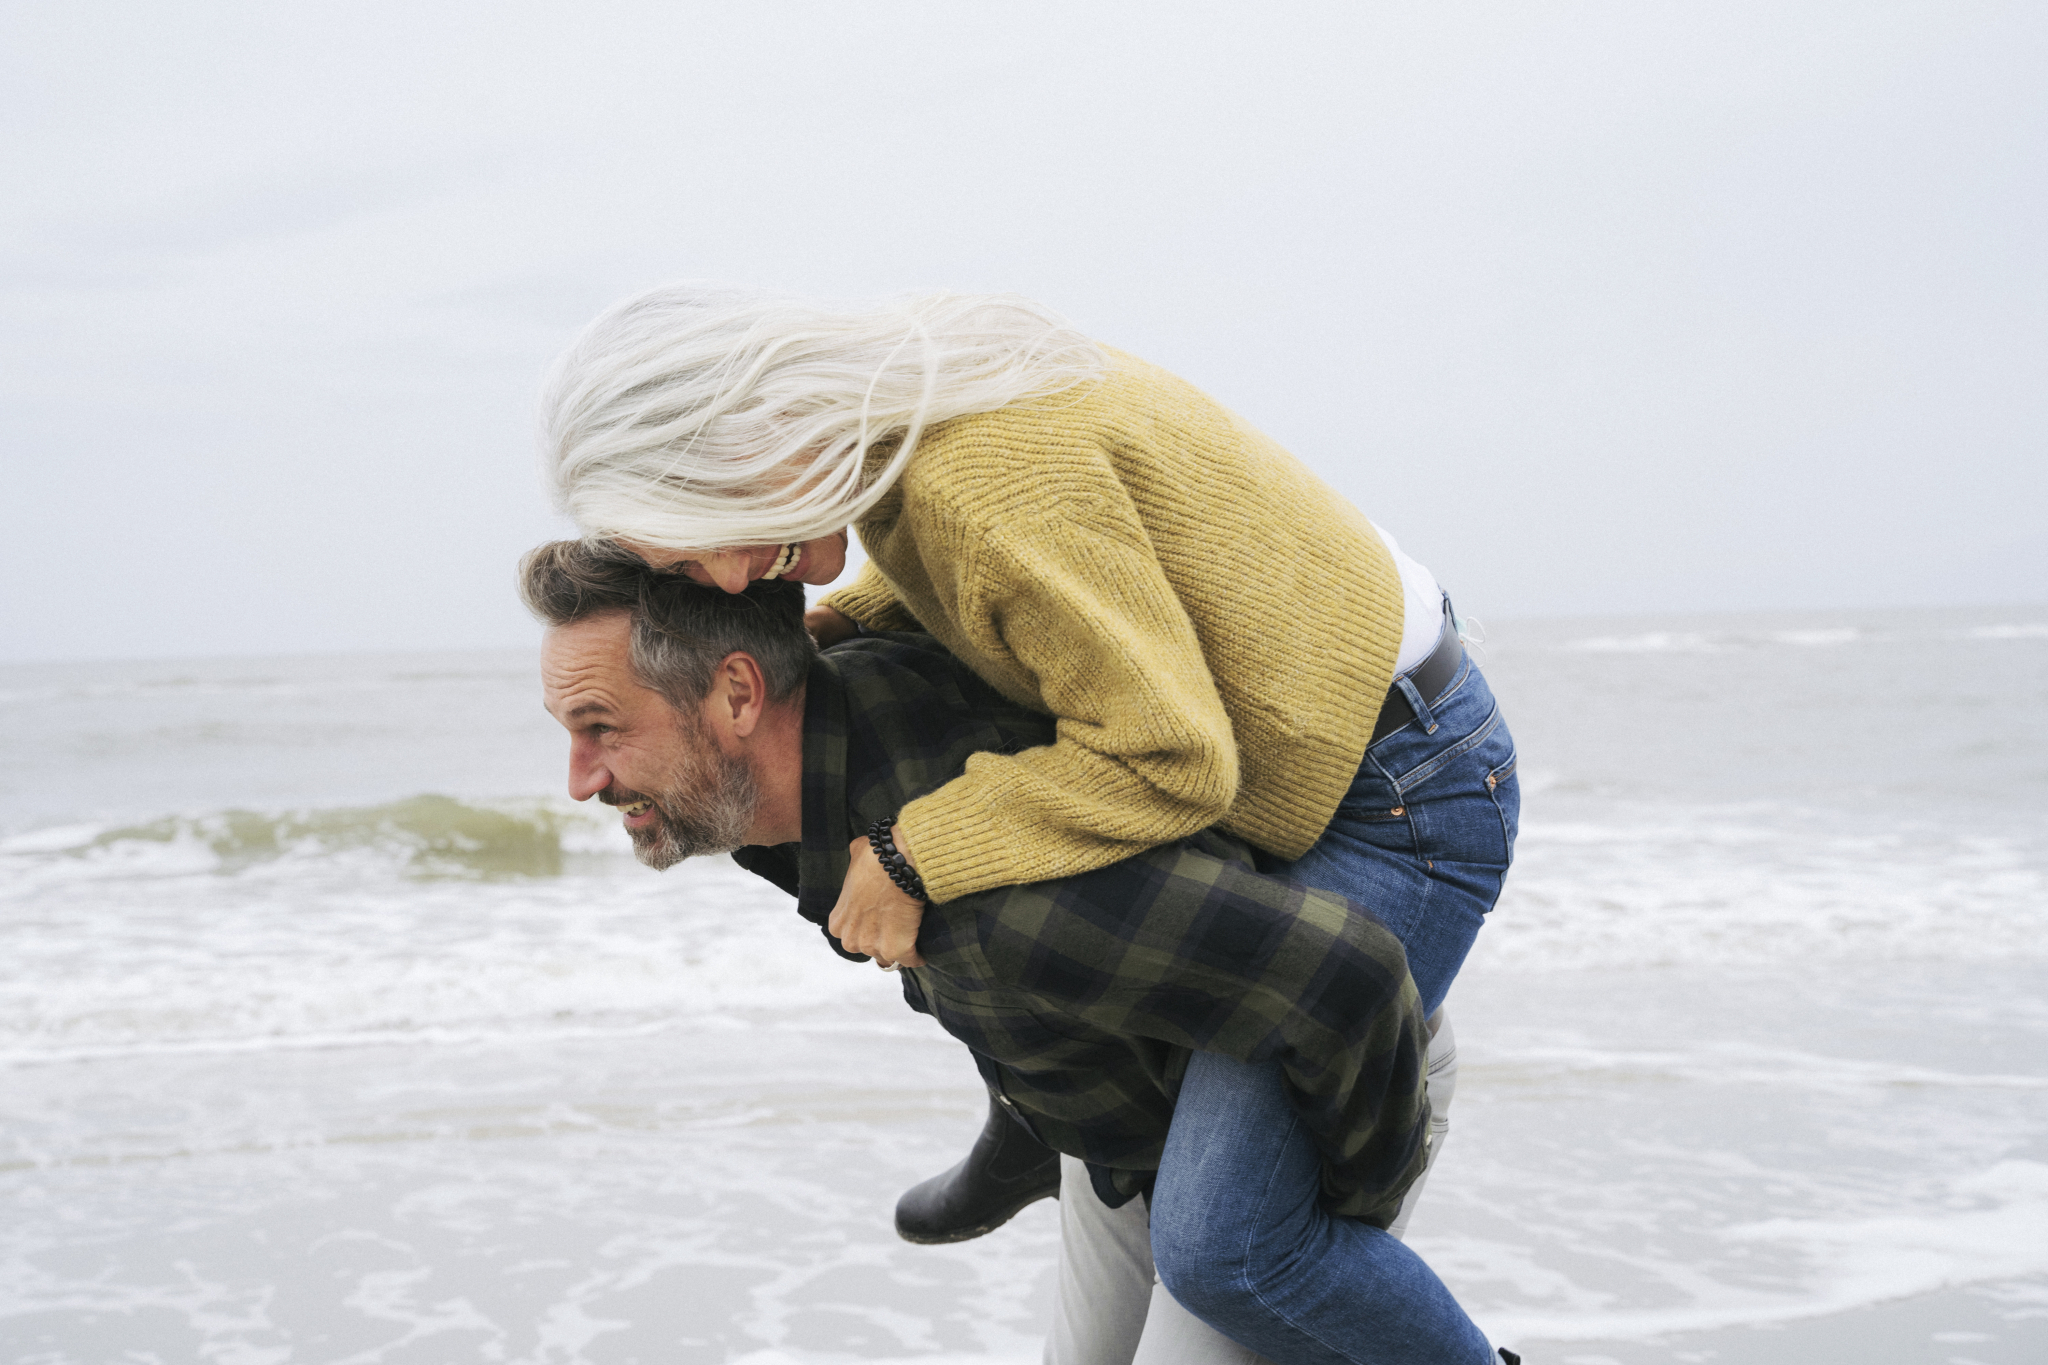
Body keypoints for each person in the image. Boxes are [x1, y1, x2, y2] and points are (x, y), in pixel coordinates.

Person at [538, 288, 1520, 1258]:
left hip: (1395, 781)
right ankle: (1036, 1107)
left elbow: (1172, 760)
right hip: (1306, 715)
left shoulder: (978, 476)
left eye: (700, 541)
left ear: (735, 446)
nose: (726, 580)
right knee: (889, 750)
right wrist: (843, 624)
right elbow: (992, 577)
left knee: (1227, 1250)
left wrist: (911, 852)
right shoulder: (897, 417)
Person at [517, 542, 1519, 1365]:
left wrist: (1336, 1220)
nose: (578, 779)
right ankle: (1035, 1127)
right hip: (1124, 1104)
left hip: (1316, 1062)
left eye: (601, 729)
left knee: (1234, 1265)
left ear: (738, 692)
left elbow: (1347, 978)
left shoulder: (999, 902)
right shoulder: (772, 783)